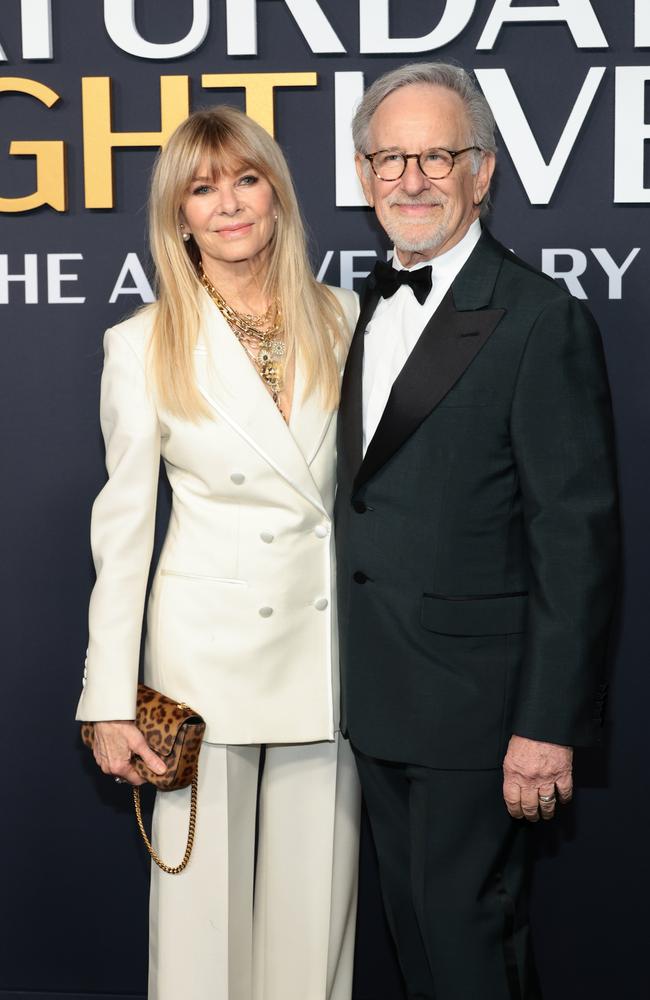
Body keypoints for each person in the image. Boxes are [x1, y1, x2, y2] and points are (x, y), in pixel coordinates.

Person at [335, 62, 619, 1000]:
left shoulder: (541, 320)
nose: (411, 179)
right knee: (416, 938)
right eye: (390, 159)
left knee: (468, 948)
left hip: (481, 713)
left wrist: (546, 726)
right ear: (365, 172)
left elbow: (576, 539)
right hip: (375, 701)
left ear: (483, 171)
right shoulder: (357, 309)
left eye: (437, 156)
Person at [76, 105, 360, 1000]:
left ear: (276, 193)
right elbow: (122, 527)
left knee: (316, 921)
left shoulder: (348, 318)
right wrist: (109, 697)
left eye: (246, 179)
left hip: (329, 654)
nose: (228, 204)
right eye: (202, 188)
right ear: (178, 215)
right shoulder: (141, 342)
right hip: (204, 664)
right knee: (200, 929)